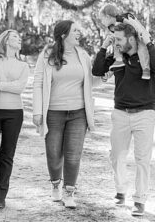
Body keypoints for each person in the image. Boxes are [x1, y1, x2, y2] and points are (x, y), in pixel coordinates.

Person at [92, 21, 155, 217]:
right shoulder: (117, 57)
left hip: (144, 113)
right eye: (114, 39)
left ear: (131, 39)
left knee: (142, 159)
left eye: (118, 39)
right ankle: (120, 190)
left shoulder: (148, 57)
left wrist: (148, 43)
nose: (115, 43)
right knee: (116, 156)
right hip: (120, 113)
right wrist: (103, 45)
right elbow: (97, 70)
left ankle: (140, 199)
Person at [32, 20, 98, 209]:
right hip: (53, 112)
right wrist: (37, 111)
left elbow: (89, 82)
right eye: (75, 30)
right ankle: (55, 184)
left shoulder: (83, 55)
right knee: (53, 154)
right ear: (63, 34)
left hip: (78, 113)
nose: (79, 33)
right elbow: (38, 83)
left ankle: (69, 191)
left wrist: (103, 78)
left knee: (73, 155)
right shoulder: (47, 54)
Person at [0, 28, 29, 211]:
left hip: (14, 112)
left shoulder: (23, 65)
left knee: (7, 155)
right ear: (5, 40)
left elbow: (19, 88)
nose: (18, 39)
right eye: (14, 36)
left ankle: (1, 195)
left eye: (19, 37)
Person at [99, 3, 153, 80]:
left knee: (142, 49)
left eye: (102, 19)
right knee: (119, 42)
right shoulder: (113, 26)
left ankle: (146, 70)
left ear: (107, 17)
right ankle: (117, 63)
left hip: (141, 37)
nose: (101, 22)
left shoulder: (122, 19)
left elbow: (135, 26)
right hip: (131, 43)